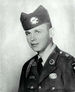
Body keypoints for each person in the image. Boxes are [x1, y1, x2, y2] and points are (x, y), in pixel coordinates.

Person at [18, 5, 75, 92]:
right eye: (28, 33)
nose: (32, 38)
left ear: (51, 32)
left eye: (37, 31)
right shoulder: (27, 67)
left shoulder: (68, 64)